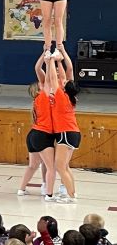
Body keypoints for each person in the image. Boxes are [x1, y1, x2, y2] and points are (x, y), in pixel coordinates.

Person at [48, 46, 80, 203]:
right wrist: (60, 62)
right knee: (65, 167)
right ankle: (72, 193)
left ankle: (71, 196)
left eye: (65, 82)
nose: (64, 80)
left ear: (65, 88)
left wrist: (52, 61)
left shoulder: (62, 97)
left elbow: (54, 79)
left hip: (66, 133)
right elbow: (62, 79)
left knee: (60, 167)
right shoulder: (71, 98)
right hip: (73, 133)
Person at [16, 80, 47, 197]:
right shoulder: (42, 100)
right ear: (38, 90)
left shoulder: (35, 102)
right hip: (41, 135)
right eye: (42, 85)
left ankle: (21, 189)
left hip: (32, 134)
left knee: (33, 165)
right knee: (47, 164)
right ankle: (46, 187)